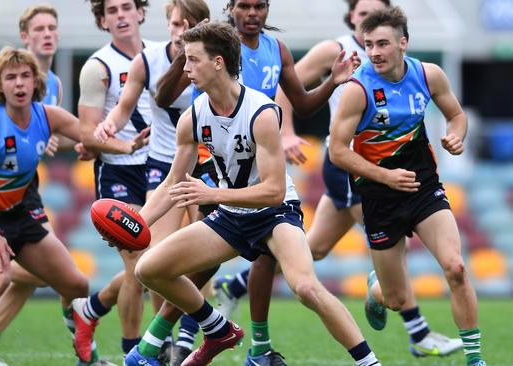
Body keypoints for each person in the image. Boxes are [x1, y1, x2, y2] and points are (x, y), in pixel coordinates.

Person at [221, 0, 465, 359]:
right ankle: (418, 332)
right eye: (363, 14)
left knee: (314, 249)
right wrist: (285, 132)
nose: (369, 23)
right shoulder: (334, 50)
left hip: (378, 161)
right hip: (349, 163)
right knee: (389, 241)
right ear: (351, 17)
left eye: (376, 13)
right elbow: (285, 89)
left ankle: (235, 285)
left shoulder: (397, 57)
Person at [128, 21, 382, 366]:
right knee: (149, 269)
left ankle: (370, 363)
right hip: (232, 215)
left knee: (306, 288)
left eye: (192, 60)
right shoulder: (192, 117)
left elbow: (274, 191)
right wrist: (134, 225)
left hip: (275, 214)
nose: (185, 68)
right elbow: (174, 182)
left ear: (218, 62)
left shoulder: (261, 112)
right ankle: (217, 328)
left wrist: (213, 194)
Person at [0, 6, 115, 366]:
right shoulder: (5, 84)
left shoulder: (54, 86)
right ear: (25, 36)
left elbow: (53, 132)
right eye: (39, 29)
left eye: (53, 28)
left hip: (25, 190)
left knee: (44, 278)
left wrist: (93, 143)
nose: (48, 34)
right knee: (12, 275)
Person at [329, 7, 485, 366]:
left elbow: (456, 115)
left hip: (423, 186)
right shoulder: (358, 89)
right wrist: (384, 176)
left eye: (382, 44)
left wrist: (456, 136)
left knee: (456, 268)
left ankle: (475, 359)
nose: (374, 53)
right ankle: (377, 291)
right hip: (380, 197)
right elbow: (337, 151)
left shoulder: (428, 75)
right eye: (368, 45)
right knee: (397, 299)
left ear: (403, 43)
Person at [87, 1, 209, 364]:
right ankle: (162, 342)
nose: (181, 30)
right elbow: (124, 107)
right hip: (163, 165)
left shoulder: (215, 60)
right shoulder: (148, 60)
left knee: (204, 255)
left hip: (206, 165)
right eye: (176, 23)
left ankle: (185, 335)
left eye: (192, 24)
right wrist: (109, 125)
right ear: (167, 23)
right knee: (156, 258)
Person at [73, 0, 156, 361]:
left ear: (140, 12)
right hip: (118, 172)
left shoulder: (161, 54)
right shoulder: (98, 67)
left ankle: (91, 308)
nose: (120, 15)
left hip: (161, 167)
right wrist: (126, 146)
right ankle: (133, 352)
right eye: (112, 10)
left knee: (163, 261)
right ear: (102, 19)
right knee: (139, 266)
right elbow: (87, 134)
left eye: (127, 7)